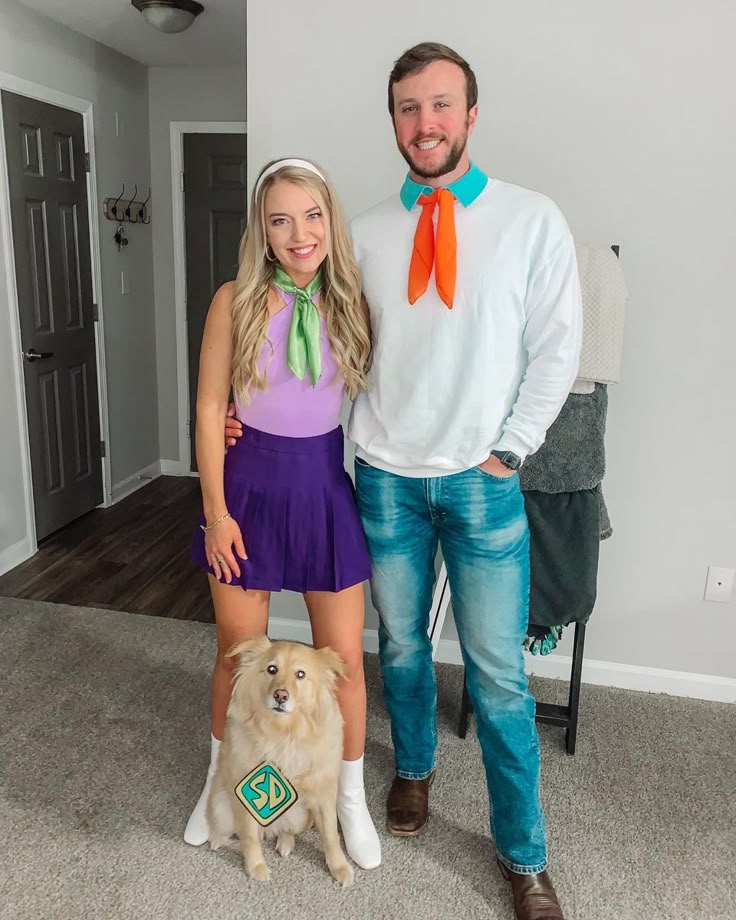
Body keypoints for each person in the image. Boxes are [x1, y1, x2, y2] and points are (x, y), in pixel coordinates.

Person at [226, 43, 581, 919]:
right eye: (408, 109)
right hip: (383, 478)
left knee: (499, 678)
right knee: (406, 652)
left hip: (481, 483)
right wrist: (242, 409)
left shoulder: (532, 221)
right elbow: (315, 340)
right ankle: (412, 773)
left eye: (441, 105)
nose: (425, 123)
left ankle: (523, 856)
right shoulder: (366, 233)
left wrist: (512, 448)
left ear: (469, 113)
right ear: (393, 121)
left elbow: (557, 347)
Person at [186, 157, 381, 871]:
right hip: (246, 493)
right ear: (262, 232)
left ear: (330, 220)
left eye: (312, 216)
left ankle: (349, 799)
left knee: (344, 666)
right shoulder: (233, 299)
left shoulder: (354, 302)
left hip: (323, 490)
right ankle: (227, 788)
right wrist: (216, 513)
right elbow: (210, 409)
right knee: (240, 659)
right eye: (280, 219)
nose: (299, 233)